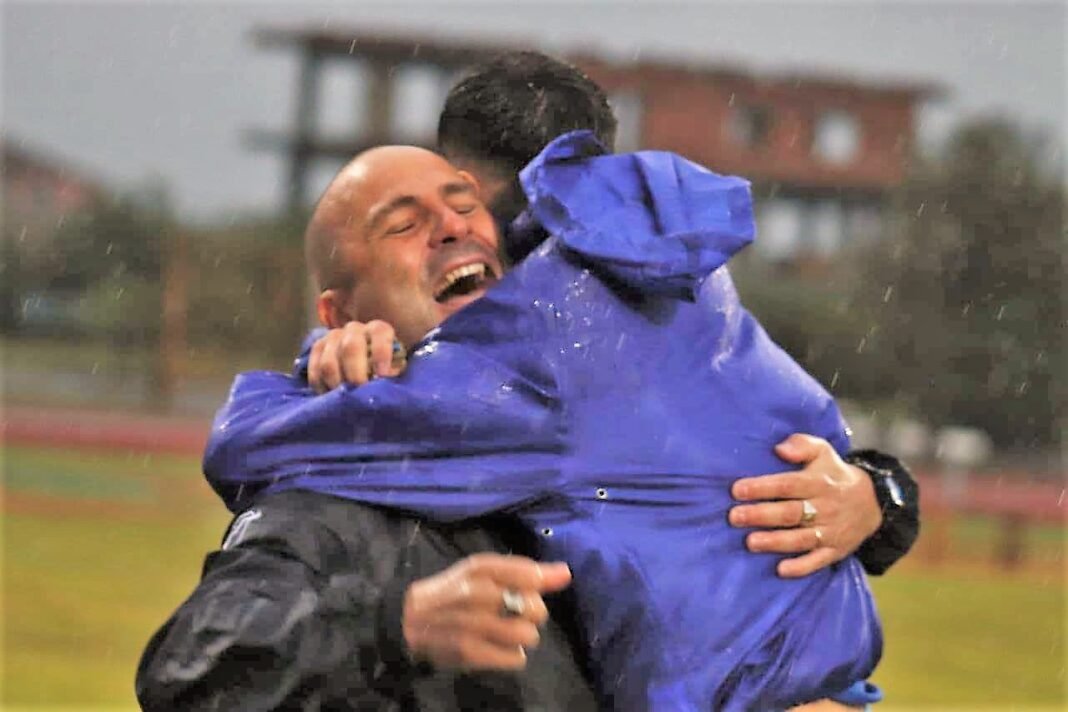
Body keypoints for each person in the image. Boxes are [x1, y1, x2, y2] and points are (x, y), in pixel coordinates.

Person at [136, 52, 919, 711]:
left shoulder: (533, 359)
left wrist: (873, 496)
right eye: (403, 225)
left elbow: (247, 444)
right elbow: (191, 670)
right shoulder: (688, 284)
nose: (454, 229)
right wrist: (391, 626)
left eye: (465, 205)